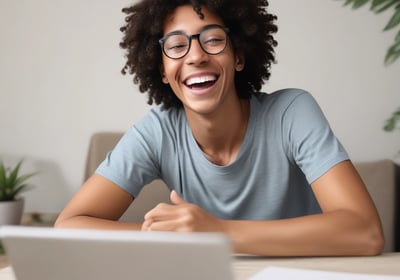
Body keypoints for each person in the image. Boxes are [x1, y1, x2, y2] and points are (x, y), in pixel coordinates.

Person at [55, 0, 384, 256]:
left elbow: (366, 232)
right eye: (176, 45)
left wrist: (217, 232)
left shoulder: (292, 113)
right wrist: (172, 235)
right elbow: (68, 226)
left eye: (213, 40)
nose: (196, 56)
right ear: (163, 71)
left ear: (238, 56)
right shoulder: (156, 133)